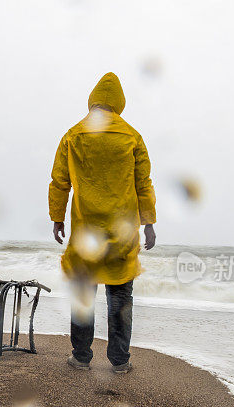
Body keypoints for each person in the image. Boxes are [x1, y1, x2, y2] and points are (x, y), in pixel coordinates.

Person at [48, 72, 156, 374]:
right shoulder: (132, 136)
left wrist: (57, 217)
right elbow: (143, 183)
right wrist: (148, 222)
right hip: (122, 234)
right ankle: (120, 361)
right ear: (119, 102)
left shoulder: (73, 134)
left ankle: (81, 357)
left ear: (93, 99)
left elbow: (60, 181)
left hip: (86, 231)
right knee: (120, 296)